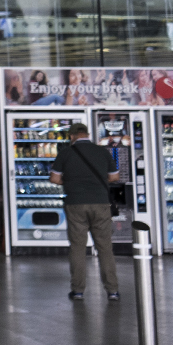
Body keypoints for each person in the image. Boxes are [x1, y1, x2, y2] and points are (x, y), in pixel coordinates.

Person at [49, 123, 120, 301]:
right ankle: (112, 291)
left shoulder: (66, 152)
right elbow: (114, 177)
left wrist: (70, 181)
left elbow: (54, 178)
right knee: (105, 248)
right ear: (87, 134)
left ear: (72, 136)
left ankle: (78, 291)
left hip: (75, 204)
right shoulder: (102, 151)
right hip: (101, 204)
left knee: (78, 248)